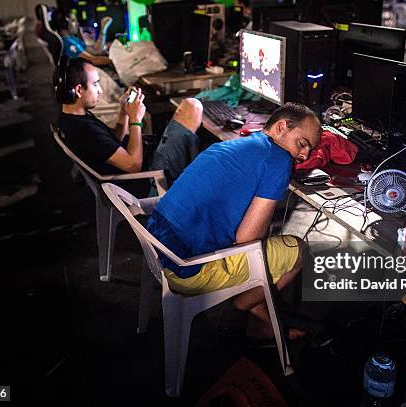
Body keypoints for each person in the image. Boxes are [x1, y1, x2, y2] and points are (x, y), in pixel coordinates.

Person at [147, 103, 322, 340]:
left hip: (157, 248)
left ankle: (259, 316)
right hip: (187, 269)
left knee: (264, 241)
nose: (304, 155)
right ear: (281, 127)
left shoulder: (235, 143)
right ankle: (235, 309)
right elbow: (248, 241)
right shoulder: (279, 160)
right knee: (299, 250)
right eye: (302, 144)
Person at [55, 57, 203, 184]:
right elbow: (134, 165)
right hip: (150, 178)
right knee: (192, 107)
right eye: (95, 84)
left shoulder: (71, 118)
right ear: (79, 90)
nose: (100, 90)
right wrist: (135, 119)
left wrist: (123, 112)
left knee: (188, 119)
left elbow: (112, 143)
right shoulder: (83, 129)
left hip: (147, 162)